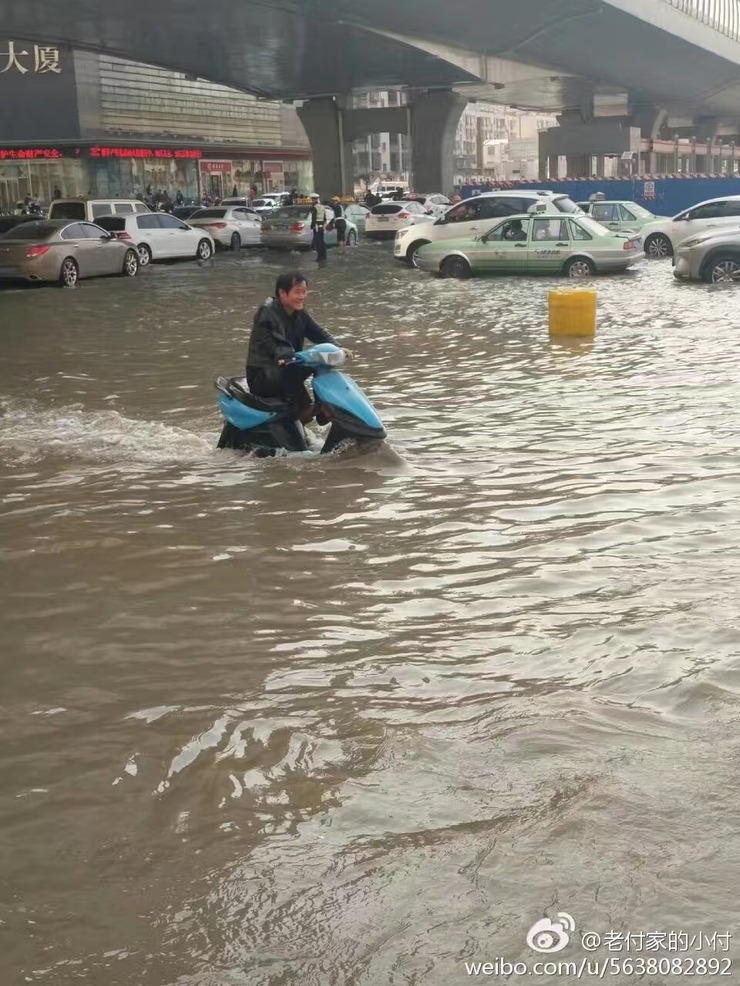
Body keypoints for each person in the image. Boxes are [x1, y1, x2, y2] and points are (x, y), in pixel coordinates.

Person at [246, 272, 352, 423]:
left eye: (304, 292)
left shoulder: (299, 312)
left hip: (287, 368)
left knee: (323, 363)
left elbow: (319, 333)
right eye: (298, 292)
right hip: (263, 375)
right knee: (316, 362)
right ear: (282, 293)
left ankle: (320, 408)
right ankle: (321, 408)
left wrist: (339, 348)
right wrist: (287, 356)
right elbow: (276, 345)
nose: (302, 296)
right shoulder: (267, 312)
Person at [309, 193, 328, 263]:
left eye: (312, 199)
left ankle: (319, 258)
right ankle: (324, 256)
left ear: (314, 199)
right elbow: (325, 218)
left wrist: (312, 226)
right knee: (322, 241)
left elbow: (313, 218)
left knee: (317, 242)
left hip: (316, 226)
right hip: (321, 226)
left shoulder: (314, 207)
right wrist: (323, 225)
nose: (312, 201)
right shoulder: (322, 207)